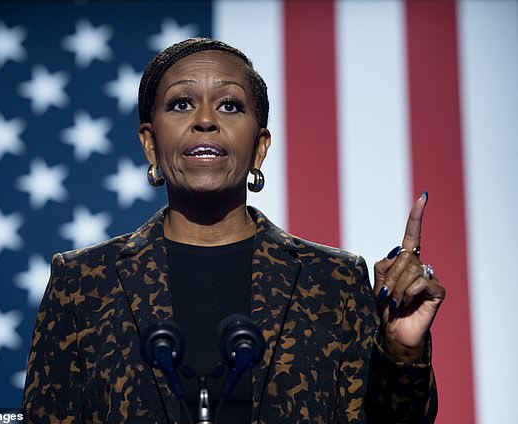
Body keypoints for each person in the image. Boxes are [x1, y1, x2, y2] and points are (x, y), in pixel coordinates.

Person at [22, 38, 445, 423]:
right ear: (150, 143)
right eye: (181, 104)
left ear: (260, 147)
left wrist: (401, 350)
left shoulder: (334, 280)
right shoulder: (82, 284)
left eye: (229, 105)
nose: (205, 120)